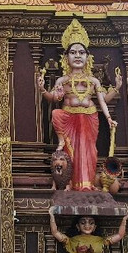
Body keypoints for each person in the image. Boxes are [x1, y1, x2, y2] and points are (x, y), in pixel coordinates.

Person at [36, 19, 116, 191]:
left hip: (89, 118)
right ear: (66, 58)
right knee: (69, 150)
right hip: (69, 118)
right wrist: (42, 89)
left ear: (88, 57)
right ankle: (69, 182)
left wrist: (109, 117)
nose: (77, 56)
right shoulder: (63, 80)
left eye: (81, 52)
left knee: (89, 152)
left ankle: (87, 184)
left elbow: (102, 100)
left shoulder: (93, 80)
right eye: (73, 52)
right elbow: (54, 98)